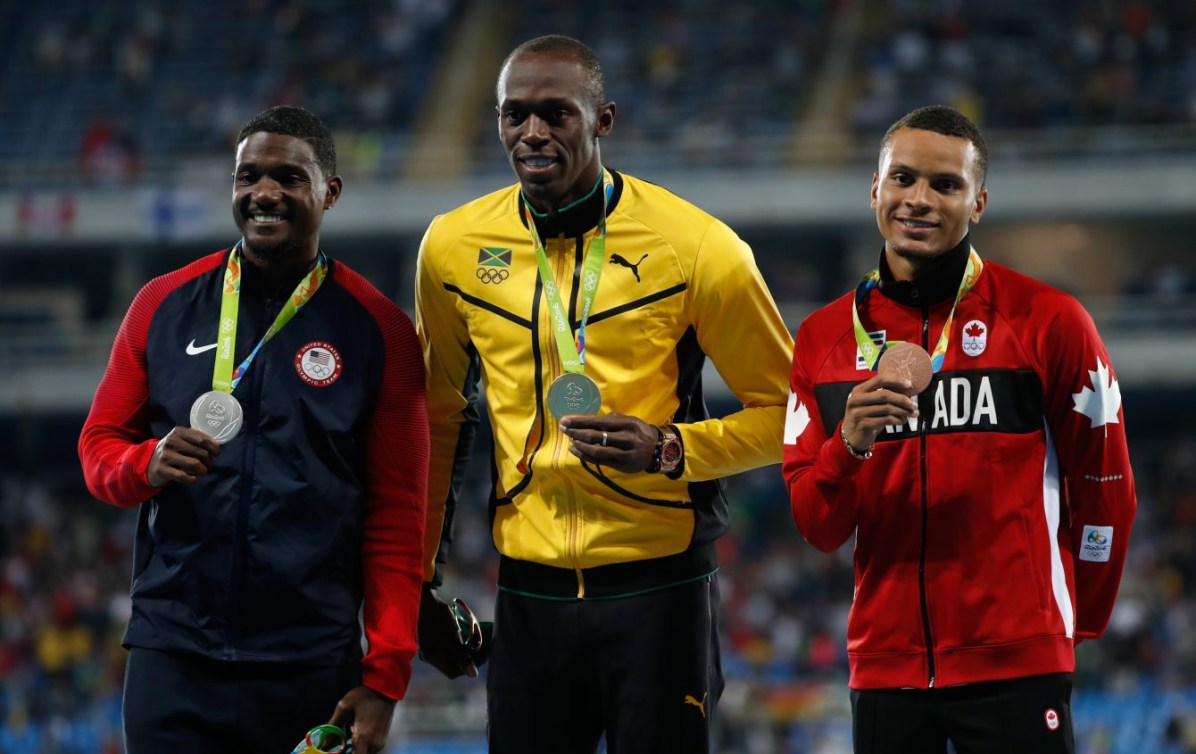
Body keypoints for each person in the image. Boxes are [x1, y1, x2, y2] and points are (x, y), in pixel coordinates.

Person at [414, 35, 794, 753]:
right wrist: (419, 584)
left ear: (603, 120)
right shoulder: (452, 248)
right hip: (529, 594)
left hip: (661, 595)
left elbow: (791, 416)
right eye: (513, 115)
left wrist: (672, 449)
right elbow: (437, 419)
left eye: (556, 113)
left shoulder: (699, 247)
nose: (532, 132)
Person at [783, 104, 1137, 753]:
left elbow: (1107, 490)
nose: (919, 199)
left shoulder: (1049, 321)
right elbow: (818, 526)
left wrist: (1058, 631)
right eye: (904, 179)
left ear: (977, 204)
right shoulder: (823, 340)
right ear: (874, 190)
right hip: (886, 670)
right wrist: (848, 447)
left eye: (945, 185)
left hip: (1019, 667)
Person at [77, 105, 428, 754]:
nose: (264, 192)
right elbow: (98, 447)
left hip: (310, 666)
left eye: (289, 177)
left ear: (331, 191)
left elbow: (399, 522)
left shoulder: (381, 332)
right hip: (173, 653)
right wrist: (146, 464)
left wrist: (386, 677)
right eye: (249, 176)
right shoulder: (162, 303)